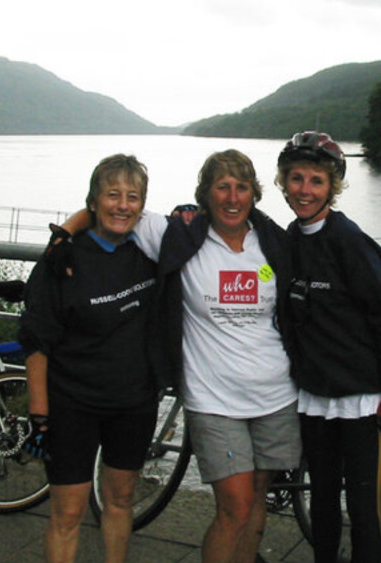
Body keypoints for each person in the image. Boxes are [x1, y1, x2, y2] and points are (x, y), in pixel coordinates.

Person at [52, 149, 299, 563]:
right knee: (234, 505)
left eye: (241, 187)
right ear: (205, 195)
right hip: (214, 399)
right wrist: (63, 234)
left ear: (254, 194)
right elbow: (113, 207)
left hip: (276, 394)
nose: (233, 197)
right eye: (222, 187)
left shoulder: (272, 241)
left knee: (257, 503)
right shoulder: (178, 235)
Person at [274, 131, 381, 563]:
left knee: (364, 508)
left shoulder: (350, 242)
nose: (304, 190)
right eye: (296, 179)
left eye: (316, 181)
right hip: (315, 395)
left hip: (362, 398)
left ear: (332, 187)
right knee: (321, 502)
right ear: (284, 183)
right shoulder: (289, 240)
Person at [19, 154, 160, 563]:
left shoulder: (150, 250)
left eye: (133, 197)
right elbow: (36, 339)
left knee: (121, 499)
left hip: (133, 401)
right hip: (72, 403)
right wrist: (39, 414)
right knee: (68, 512)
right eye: (112, 194)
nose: (122, 205)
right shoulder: (64, 259)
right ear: (93, 202)